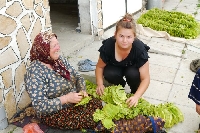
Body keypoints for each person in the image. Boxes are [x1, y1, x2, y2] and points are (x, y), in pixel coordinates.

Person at [24, 31, 103, 130]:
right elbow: (40, 106)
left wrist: (82, 90)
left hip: (73, 99)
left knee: (97, 104)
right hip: (54, 111)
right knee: (89, 118)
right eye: (54, 46)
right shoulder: (34, 72)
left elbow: (77, 76)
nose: (58, 48)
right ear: (43, 49)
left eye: (58, 44)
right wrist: (66, 99)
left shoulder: (59, 60)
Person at [95, 13, 150, 108]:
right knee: (109, 73)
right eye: (121, 36)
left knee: (133, 74)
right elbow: (99, 67)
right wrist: (99, 84)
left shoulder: (139, 49)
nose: (124, 40)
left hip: (132, 68)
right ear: (115, 35)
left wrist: (136, 96)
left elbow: (146, 79)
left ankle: (134, 92)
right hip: (115, 67)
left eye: (129, 37)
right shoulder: (108, 46)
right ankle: (120, 87)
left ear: (134, 37)